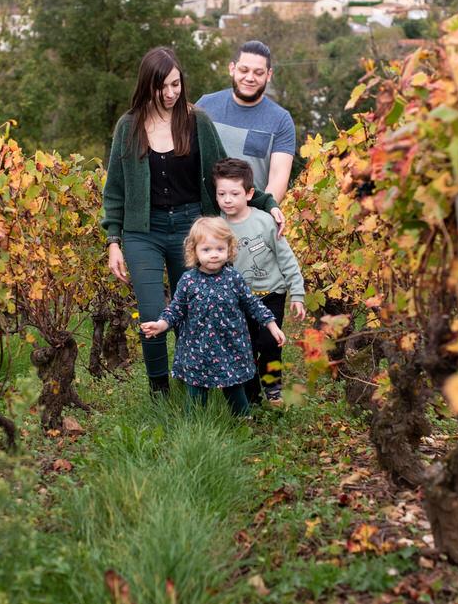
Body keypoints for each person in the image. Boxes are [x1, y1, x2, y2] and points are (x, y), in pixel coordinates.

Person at [101, 47, 285, 397]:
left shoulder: (196, 120)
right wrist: (113, 241)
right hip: (144, 233)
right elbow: (116, 190)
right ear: (147, 86)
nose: (170, 93)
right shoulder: (128, 127)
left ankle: (196, 387)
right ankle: (159, 393)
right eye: (162, 87)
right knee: (153, 314)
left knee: (195, 312)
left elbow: (223, 170)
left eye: (176, 85)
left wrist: (265, 202)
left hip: (192, 229)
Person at [140, 217, 286, 415]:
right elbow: (176, 308)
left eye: (220, 249)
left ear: (229, 249)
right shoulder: (188, 280)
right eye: (206, 250)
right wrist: (161, 324)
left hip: (229, 346)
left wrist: (272, 325)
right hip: (197, 349)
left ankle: (244, 425)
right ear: (195, 251)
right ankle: (196, 427)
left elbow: (252, 304)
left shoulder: (233, 278)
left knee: (234, 388)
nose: (214, 255)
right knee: (196, 392)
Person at [214, 158, 305, 406]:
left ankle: (273, 386)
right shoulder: (218, 226)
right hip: (239, 300)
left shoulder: (265, 221)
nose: (227, 199)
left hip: (271, 293)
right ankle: (250, 395)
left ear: (250, 193)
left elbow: (286, 259)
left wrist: (297, 294)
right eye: (221, 193)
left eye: (234, 193)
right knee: (245, 346)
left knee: (269, 341)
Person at [196, 40, 296, 204]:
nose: (250, 78)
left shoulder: (281, 120)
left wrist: (261, 218)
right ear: (232, 69)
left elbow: (278, 179)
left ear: (268, 75)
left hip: (250, 219)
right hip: (205, 219)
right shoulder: (205, 106)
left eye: (258, 72)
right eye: (244, 70)